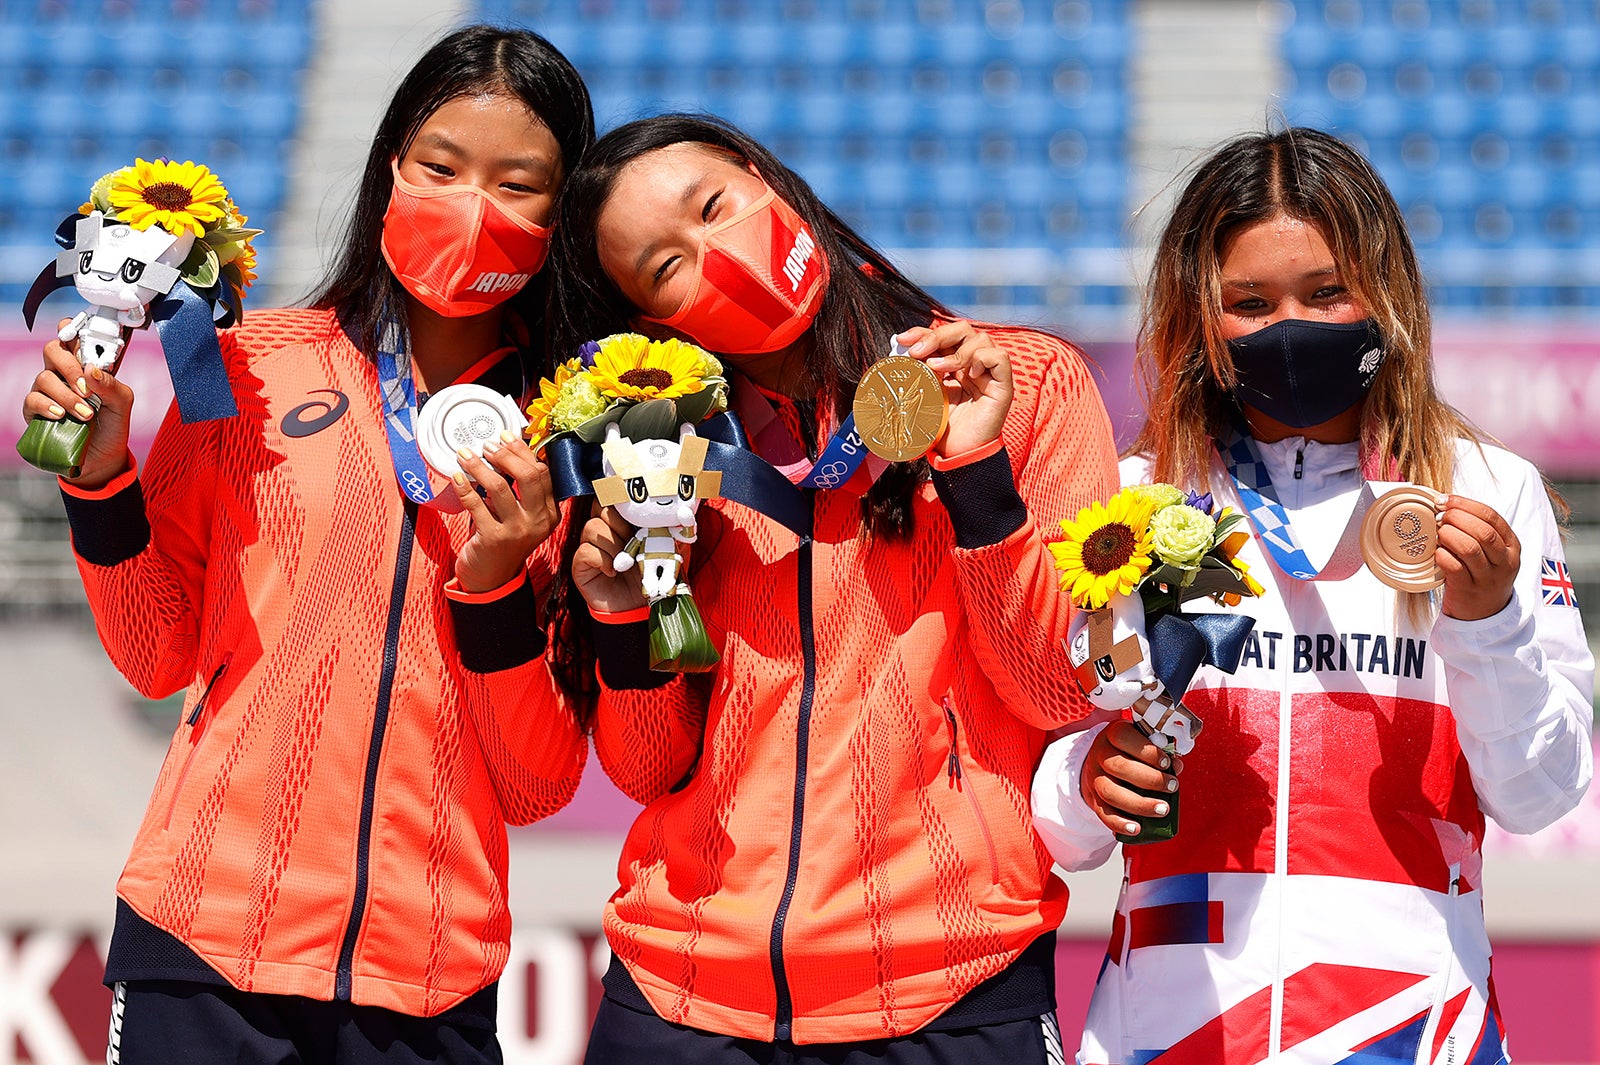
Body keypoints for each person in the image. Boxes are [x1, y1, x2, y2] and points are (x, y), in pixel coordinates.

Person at [19, 25, 594, 1064]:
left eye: (520, 185)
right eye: (442, 168)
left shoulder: (571, 439)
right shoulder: (242, 369)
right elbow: (156, 657)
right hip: (201, 951)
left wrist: (499, 590)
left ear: (564, 218)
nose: (473, 207)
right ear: (389, 172)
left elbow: (536, 786)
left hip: (428, 977)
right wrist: (100, 482)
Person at [540, 112, 1121, 1064]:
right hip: (678, 993)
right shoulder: (656, 457)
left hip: (951, 987)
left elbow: (1058, 690)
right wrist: (621, 613)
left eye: (717, 207)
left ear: (772, 182)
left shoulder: (1020, 384)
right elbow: (647, 770)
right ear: (653, 322)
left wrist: (976, 473)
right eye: (667, 265)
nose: (719, 255)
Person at [1030, 127, 1594, 1064]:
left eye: (1327, 291)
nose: (1289, 325)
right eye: (1249, 302)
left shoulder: (1490, 492)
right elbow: (1051, 818)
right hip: (1169, 1031)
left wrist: (1487, 622)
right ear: (1198, 318)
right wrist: (1088, 781)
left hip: (1414, 1030)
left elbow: (1541, 797)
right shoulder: (1126, 510)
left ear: (1388, 292)